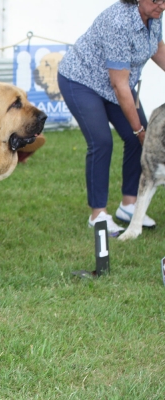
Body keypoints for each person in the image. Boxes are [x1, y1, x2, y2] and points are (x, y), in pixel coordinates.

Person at [57, 0, 165, 234]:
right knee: (103, 141)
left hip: (117, 83)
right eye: (157, 0)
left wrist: (139, 131)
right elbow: (120, 85)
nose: (162, 6)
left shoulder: (155, 15)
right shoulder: (118, 21)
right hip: (81, 81)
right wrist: (139, 131)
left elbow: (156, 48)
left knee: (139, 135)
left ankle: (129, 204)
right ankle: (98, 215)